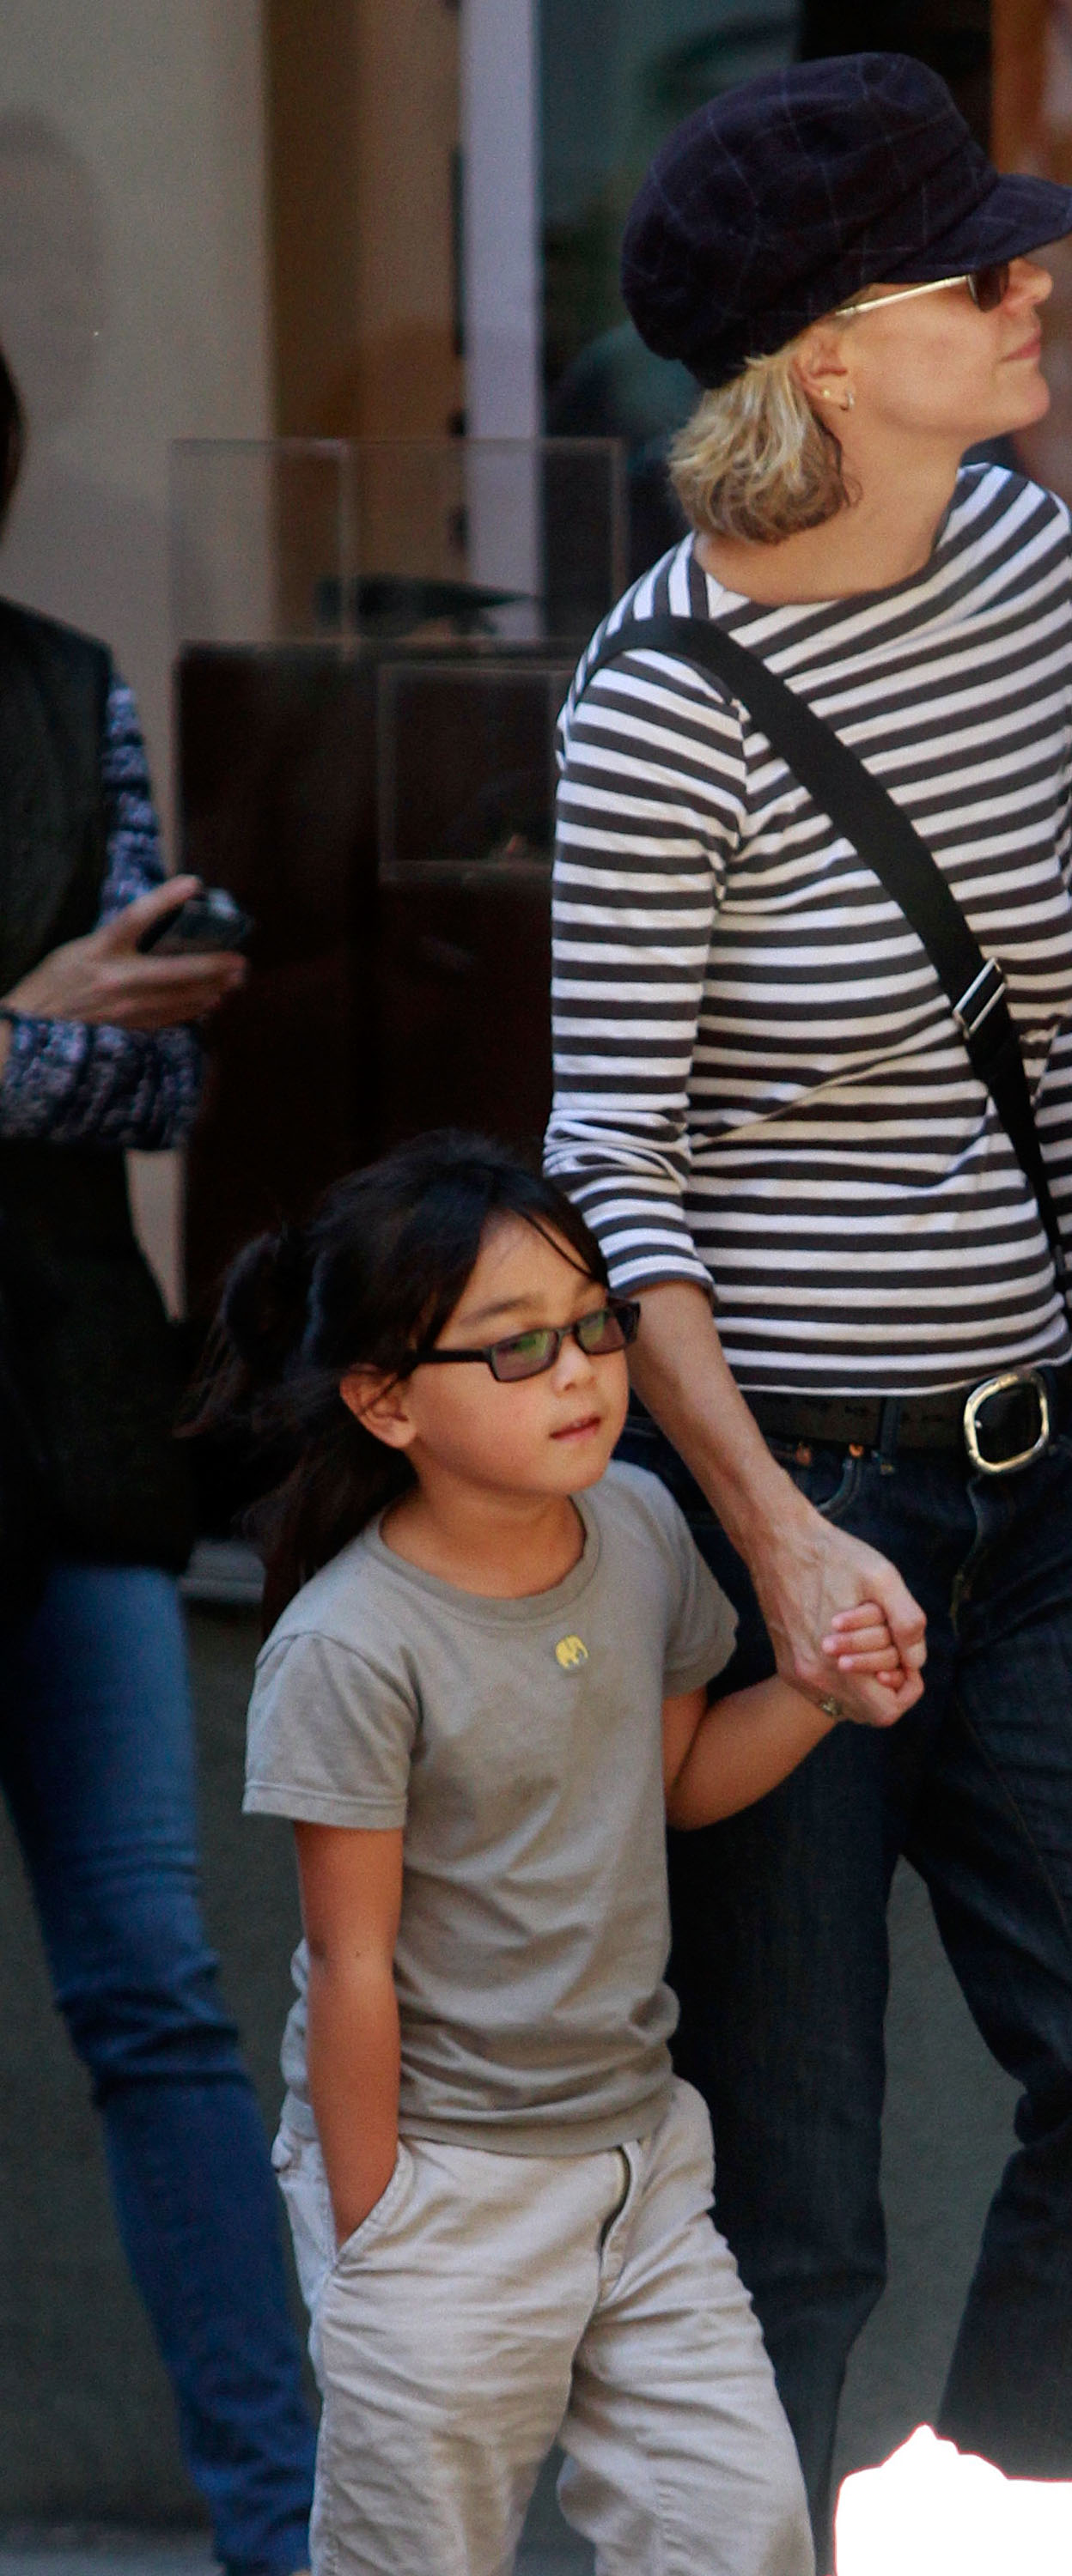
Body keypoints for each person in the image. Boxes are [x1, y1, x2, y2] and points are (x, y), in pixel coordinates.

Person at [543, 51, 1072, 2568]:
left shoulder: (1018, 566)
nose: (1034, 279)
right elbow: (607, 1155)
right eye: (978, 269)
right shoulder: (654, 705)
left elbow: (1036, 997)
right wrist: (765, 1530)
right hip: (778, 1511)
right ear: (827, 356)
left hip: (1034, 1464)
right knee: (792, 2209)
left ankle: (1007, 2546)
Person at [198, 1131, 904, 2576]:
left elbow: (677, 1787)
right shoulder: (350, 1646)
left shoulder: (642, 1526)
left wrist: (827, 1690)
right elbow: (349, 1962)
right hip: (443, 2196)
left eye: (596, 1325)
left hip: (644, 2169)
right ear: (387, 1402)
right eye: (517, 1349)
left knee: (741, 2531)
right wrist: (377, 2232)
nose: (580, 1372)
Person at [0, 344, 316, 2572]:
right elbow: (57, 1058)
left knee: (155, 1990)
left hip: (58, 1427)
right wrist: (21, 1028)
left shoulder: (60, 687)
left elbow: (147, 1094)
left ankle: (294, 2529)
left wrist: (67, 1039)